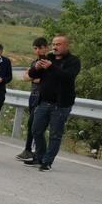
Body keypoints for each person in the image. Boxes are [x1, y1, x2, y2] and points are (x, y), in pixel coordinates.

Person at [23, 34, 80, 172]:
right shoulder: (48, 58)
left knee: (55, 134)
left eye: (58, 44)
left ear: (66, 46)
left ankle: (47, 162)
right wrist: (36, 68)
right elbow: (33, 76)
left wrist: (51, 67)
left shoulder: (73, 61)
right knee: (36, 130)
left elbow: (68, 77)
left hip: (60, 105)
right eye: (53, 44)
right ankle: (39, 157)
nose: (55, 47)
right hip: (44, 102)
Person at [17, 37, 50, 161]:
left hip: (42, 96)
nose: (38, 50)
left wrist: (34, 77)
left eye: (40, 48)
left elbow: (44, 79)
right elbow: (25, 77)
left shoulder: (48, 62)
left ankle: (36, 151)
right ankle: (28, 150)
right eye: (36, 48)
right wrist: (33, 77)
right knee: (31, 123)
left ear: (46, 47)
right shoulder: (34, 62)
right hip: (33, 94)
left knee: (35, 124)